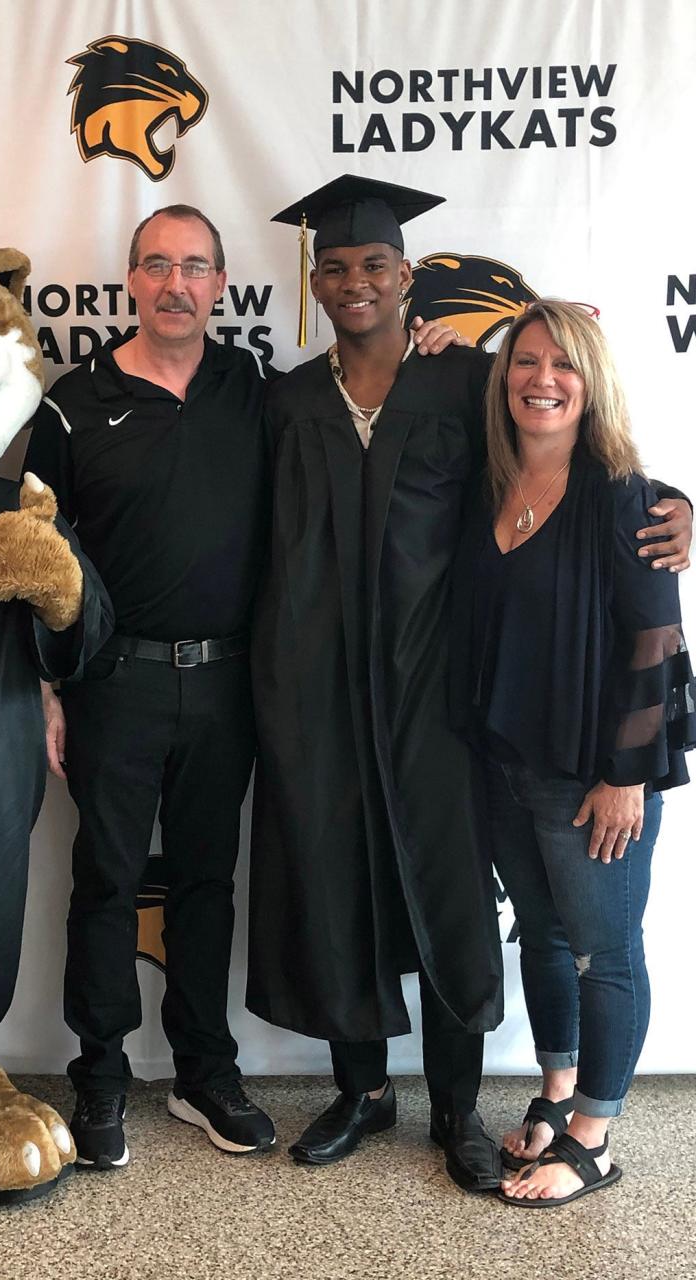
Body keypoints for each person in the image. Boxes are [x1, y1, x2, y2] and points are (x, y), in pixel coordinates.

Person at [246, 176, 693, 1191]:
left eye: (376, 263)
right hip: (316, 694)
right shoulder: (286, 401)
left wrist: (675, 503)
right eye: (339, 265)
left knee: (447, 893)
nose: (357, 280)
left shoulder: (466, 384)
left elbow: (575, 444)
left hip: (439, 697)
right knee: (333, 879)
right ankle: (362, 1089)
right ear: (316, 280)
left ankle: (455, 1106)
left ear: (409, 274)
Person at [22, 205, 277, 1169]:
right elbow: (33, 552)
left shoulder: (254, 388)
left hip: (225, 687)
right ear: (130, 281)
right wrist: (46, 687)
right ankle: (99, 1074)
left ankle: (205, 1073)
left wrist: (449, 348)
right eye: (158, 266)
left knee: (208, 884)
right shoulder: (70, 402)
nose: (177, 284)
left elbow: (366, 413)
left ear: (220, 284)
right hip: (110, 684)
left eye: (196, 267)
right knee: (107, 882)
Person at [448, 300, 695, 1206]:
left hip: (593, 774)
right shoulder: (490, 485)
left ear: (593, 384)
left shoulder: (631, 498)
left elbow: (653, 643)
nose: (541, 379)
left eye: (563, 365)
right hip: (507, 764)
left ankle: (594, 1133)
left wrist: (625, 777)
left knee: (605, 952)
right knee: (543, 938)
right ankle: (556, 1092)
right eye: (524, 361)